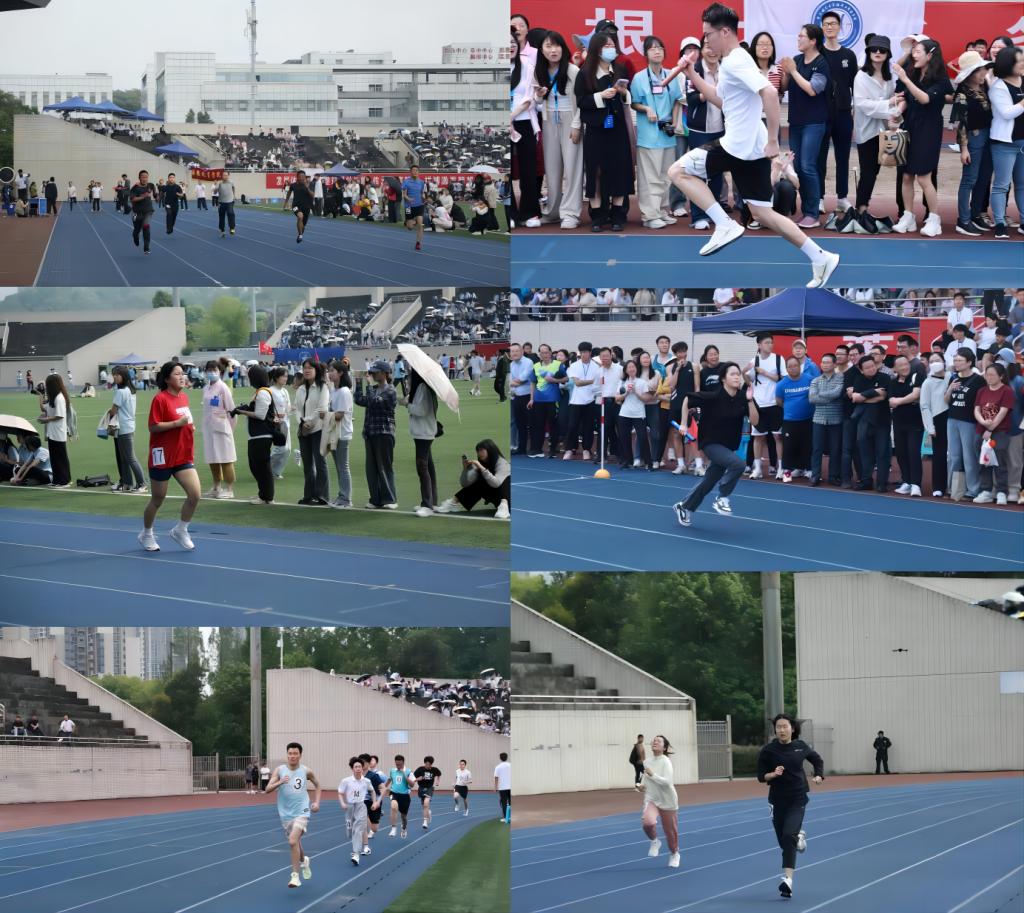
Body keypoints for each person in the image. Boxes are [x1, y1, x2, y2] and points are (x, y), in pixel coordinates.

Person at [668, 3, 840, 287]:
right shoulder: (732, 61)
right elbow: (722, 100)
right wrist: (693, 76)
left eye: (708, 34)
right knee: (762, 213)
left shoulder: (736, 61)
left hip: (738, 146)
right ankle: (820, 256)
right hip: (749, 147)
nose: (706, 41)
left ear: (725, 32)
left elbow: (769, 93)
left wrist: (774, 140)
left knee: (678, 172)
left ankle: (725, 224)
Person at [674, 362, 759, 526]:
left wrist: (750, 401)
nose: (737, 377)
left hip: (728, 446)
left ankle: (684, 506)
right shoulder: (713, 396)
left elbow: (755, 421)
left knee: (709, 481)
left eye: (738, 374)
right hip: (710, 442)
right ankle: (722, 497)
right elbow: (687, 399)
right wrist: (683, 423)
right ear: (723, 378)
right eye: (732, 374)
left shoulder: (743, 397)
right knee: (738, 465)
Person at [756, 713, 824, 900]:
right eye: (778, 727)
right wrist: (773, 774)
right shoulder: (768, 750)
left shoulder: (800, 746)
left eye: (785, 726)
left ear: (792, 729)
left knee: (788, 837)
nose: (781, 730)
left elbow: (817, 760)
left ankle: (788, 880)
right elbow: (761, 776)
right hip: (777, 800)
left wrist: (818, 775)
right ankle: (798, 836)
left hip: (797, 798)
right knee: (784, 842)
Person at [892, 39, 953, 237]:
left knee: (924, 177)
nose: (914, 55)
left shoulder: (941, 80)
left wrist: (905, 79)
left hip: (928, 130)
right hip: (909, 126)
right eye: (913, 51)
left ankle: (934, 218)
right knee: (906, 175)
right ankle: (908, 216)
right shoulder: (913, 73)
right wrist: (897, 111)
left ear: (930, 55)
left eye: (918, 51)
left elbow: (925, 99)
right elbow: (906, 98)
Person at [139, 362, 201, 553]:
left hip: (182, 455)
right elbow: (153, 426)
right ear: (167, 379)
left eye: (183, 373)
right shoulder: (160, 399)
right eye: (177, 374)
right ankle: (146, 534)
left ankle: (181, 530)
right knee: (158, 498)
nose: (182, 377)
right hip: (162, 455)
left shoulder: (184, 397)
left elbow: (185, 421)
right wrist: (177, 424)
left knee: (195, 494)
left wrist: (188, 427)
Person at [576, 30, 634, 232]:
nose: (611, 49)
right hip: (596, 129)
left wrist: (624, 93)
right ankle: (598, 215)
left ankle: (618, 214)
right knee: (596, 172)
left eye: (612, 46)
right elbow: (581, 101)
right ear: (596, 49)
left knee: (619, 169)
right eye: (606, 46)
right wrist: (600, 96)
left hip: (617, 128)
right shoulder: (585, 73)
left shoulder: (619, 69)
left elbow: (628, 99)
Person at [779, 23, 831, 228]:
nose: (798, 39)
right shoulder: (797, 60)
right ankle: (806, 210)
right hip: (796, 122)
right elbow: (784, 88)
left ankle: (812, 213)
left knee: (808, 166)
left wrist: (793, 70)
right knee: (799, 167)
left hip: (814, 122)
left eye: (802, 36)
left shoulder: (821, 63)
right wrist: (786, 73)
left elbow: (812, 89)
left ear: (813, 41)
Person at [631, 35, 684, 230]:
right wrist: (647, 109)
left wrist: (675, 122)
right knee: (650, 177)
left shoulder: (671, 75)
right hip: (649, 135)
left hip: (667, 134)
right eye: (652, 48)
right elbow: (634, 103)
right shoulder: (639, 78)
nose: (657, 51)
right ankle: (650, 215)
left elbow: (677, 100)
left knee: (665, 176)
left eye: (660, 48)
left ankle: (662, 210)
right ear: (646, 53)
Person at [852, 34, 901, 230]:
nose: (878, 52)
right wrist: (889, 104)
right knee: (868, 172)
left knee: (874, 171)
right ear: (868, 52)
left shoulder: (889, 78)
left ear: (888, 54)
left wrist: (894, 114)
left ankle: (863, 207)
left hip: (883, 131)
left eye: (882, 50)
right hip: (866, 131)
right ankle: (861, 209)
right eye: (874, 49)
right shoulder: (861, 76)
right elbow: (862, 105)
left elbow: (892, 104)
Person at [536, 31, 583, 229]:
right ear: (542, 50)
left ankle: (571, 213)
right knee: (552, 170)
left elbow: (582, 101)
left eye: (557, 46)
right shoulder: (538, 71)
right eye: (548, 46)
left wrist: (576, 125)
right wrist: (539, 96)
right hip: (549, 122)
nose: (553, 50)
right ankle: (553, 211)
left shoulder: (573, 71)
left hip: (570, 120)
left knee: (573, 169)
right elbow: (536, 102)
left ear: (563, 49)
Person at [818, 10, 859, 215]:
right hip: (821, 114)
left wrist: (855, 112)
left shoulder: (848, 55)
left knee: (843, 158)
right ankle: (818, 197)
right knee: (819, 158)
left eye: (833, 23)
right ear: (822, 27)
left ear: (840, 27)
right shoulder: (817, 53)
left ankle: (842, 198)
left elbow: (855, 87)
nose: (830, 27)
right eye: (826, 24)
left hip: (843, 113)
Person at [265, 742, 322, 888]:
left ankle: (295, 877)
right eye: (290, 753)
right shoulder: (279, 770)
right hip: (285, 814)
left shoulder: (306, 771)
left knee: (292, 841)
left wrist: (316, 803)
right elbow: (267, 789)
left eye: (295, 753)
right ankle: (304, 860)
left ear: (300, 755)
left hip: (302, 811)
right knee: (295, 841)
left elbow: (317, 785)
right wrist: (279, 782)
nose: (292, 756)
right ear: (287, 755)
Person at [950, 51, 995, 236]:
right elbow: (961, 123)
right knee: (969, 179)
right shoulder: (962, 94)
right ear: (970, 73)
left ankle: (975, 215)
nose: (984, 72)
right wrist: (964, 148)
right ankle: (963, 219)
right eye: (980, 69)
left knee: (983, 178)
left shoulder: (984, 87)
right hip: (973, 138)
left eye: (984, 68)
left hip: (988, 136)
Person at [988, 46, 1024, 240]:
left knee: (1022, 184)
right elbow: (1007, 113)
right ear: (1008, 64)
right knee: (1001, 185)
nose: (1023, 64)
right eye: (1020, 61)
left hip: (1022, 142)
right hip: (1004, 143)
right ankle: (1000, 223)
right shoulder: (998, 87)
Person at [354, 360, 398, 510]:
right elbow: (359, 400)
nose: (373, 374)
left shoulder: (390, 390)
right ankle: (376, 499)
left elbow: (374, 402)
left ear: (385, 373)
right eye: (372, 372)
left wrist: (367, 385)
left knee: (384, 467)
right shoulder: (374, 389)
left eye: (376, 372)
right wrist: (358, 382)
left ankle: (390, 499)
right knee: (371, 469)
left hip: (384, 432)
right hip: (370, 432)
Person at [944, 348, 986, 500]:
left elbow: (981, 402)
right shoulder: (953, 378)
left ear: (969, 362)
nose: (956, 363)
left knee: (969, 456)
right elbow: (946, 400)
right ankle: (952, 488)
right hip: (952, 419)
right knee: (953, 456)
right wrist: (950, 389)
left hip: (969, 421)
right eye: (955, 360)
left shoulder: (979, 380)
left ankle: (973, 489)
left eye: (960, 360)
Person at [233, 365, 277, 506]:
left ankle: (266, 496)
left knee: (261, 467)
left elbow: (260, 415)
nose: (248, 379)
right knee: (256, 466)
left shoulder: (263, 392)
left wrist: (242, 412)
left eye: (250, 376)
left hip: (262, 435)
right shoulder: (260, 392)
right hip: (257, 435)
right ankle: (264, 494)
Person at [436, 439, 511, 520]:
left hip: (510, 500)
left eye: (482, 450)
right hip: (495, 497)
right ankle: (452, 504)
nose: (479, 453)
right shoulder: (479, 464)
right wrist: (466, 469)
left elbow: (496, 483)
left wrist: (482, 469)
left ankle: (504, 506)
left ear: (490, 450)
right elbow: (465, 483)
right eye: (478, 451)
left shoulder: (502, 463)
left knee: (507, 478)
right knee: (479, 482)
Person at [974, 362, 1015, 504]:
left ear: (1001, 376)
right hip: (981, 430)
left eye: (992, 375)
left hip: (1000, 431)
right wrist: (983, 422)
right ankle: (986, 491)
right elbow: (977, 410)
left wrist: (990, 429)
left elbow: (1003, 412)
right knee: (983, 461)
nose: (989, 377)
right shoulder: (982, 391)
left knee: (999, 461)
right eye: (987, 375)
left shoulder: (1007, 391)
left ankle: (1002, 491)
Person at [745, 334, 784, 480]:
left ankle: (781, 468)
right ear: (759, 345)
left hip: (774, 403)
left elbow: (783, 379)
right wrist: (743, 372)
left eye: (771, 342)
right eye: (767, 342)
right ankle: (758, 469)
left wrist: (765, 373)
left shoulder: (779, 359)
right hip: (758, 404)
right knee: (757, 437)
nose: (770, 345)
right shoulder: (753, 361)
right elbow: (748, 381)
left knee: (777, 436)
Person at [638, 734, 680, 868]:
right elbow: (645, 779)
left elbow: (667, 782)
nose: (655, 742)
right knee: (647, 823)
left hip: (667, 801)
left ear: (664, 747)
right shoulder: (647, 762)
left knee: (670, 832)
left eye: (659, 741)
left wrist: (653, 775)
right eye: (654, 740)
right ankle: (655, 841)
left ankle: (674, 853)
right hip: (652, 799)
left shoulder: (666, 761)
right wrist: (641, 786)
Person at [402, 368, 439, 517]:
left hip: (424, 433)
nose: (409, 378)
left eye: (411, 375)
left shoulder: (423, 388)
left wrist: (407, 404)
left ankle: (427, 504)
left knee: (422, 467)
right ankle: (431, 501)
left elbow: (421, 410)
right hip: (424, 432)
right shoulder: (423, 388)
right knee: (428, 466)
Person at [293, 359, 330, 506]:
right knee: (308, 464)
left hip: (318, 429)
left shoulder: (323, 387)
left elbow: (322, 408)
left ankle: (322, 496)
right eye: (305, 368)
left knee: (320, 463)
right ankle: (308, 495)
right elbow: (296, 408)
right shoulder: (301, 389)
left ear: (316, 370)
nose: (307, 370)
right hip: (303, 430)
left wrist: (308, 422)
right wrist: (302, 423)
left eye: (310, 368)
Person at [200, 359, 237, 500]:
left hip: (222, 428)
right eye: (209, 370)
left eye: (214, 370)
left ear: (220, 372)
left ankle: (229, 489)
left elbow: (232, 410)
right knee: (212, 458)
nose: (211, 373)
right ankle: (216, 487)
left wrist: (230, 429)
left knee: (226, 459)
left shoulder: (223, 388)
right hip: (209, 428)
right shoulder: (206, 388)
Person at [889, 355, 925, 496]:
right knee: (901, 453)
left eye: (906, 364)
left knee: (913, 452)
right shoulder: (893, 382)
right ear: (895, 368)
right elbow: (891, 401)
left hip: (915, 422)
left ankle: (916, 484)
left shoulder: (916, 377)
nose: (905, 367)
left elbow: (915, 395)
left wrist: (899, 401)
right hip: (898, 422)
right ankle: (906, 481)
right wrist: (904, 400)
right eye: (901, 365)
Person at [108, 366, 147, 493]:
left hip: (123, 427)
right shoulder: (130, 390)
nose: (114, 377)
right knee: (125, 457)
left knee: (130, 457)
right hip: (127, 426)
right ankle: (127, 484)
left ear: (123, 376)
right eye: (113, 374)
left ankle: (142, 483)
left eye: (117, 374)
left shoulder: (121, 391)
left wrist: (109, 414)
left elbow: (113, 410)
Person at [807, 353, 844, 486]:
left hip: (836, 419)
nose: (825, 365)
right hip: (818, 420)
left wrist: (820, 395)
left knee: (835, 449)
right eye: (823, 362)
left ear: (834, 364)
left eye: (828, 362)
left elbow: (837, 393)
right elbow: (812, 398)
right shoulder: (815, 380)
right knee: (817, 449)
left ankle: (833, 476)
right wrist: (831, 397)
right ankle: (815, 476)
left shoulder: (841, 378)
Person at [615, 357, 655, 470]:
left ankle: (648, 463)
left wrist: (636, 392)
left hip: (639, 414)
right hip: (624, 413)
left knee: (643, 438)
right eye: (629, 367)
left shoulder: (642, 382)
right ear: (626, 370)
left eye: (633, 367)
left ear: (636, 369)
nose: (631, 369)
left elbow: (646, 399)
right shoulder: (622, 382)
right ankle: (627, 461)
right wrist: (626, 393)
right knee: (624, 437)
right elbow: (617, 398)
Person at [921, 353, 950, 497]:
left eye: (937, 360)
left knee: (954, 454)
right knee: (939, 455)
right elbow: (924, 406)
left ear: (944, 361)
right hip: (937, 419)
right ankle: (938, 486)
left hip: (953, 418)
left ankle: (953, 485)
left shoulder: (951, 377)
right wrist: (930, 427)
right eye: (931, 361)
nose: (934, 363)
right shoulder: (927, 382)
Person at [326, 361, 353, 510]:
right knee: (339, 466)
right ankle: (342, 495)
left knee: (343, 466)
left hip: (342, 433)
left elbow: (339, 415)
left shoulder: (343, 391)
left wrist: (324, 415)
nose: (329, 373)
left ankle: (346, 499)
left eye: (332, 371)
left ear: (341, 373)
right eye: (329, 371)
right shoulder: (334, 391)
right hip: (334, 432)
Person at [338, 757, 375, 865]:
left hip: (361, 806)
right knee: (350, 832)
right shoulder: (346, 781)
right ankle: (356, 848)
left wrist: (374, 802)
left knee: (358, 829)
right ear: (352, 769)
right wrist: (342, 803)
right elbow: (340, 793)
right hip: (350, 807)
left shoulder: (366, 781)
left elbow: (372, 791)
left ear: (362, 768)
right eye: (356, 767)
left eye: (359, 766)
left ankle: (356, 854)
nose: (358, 768)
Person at [38, 372, 71, 487]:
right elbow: (43, 408)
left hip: (58, 432)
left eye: (47, 385)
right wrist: (40, 395)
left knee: (60, 458)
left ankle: (64, 481)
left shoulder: (59, 398)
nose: (46, 387)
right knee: (54, 458)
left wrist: (46, 419)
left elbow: (59, 415)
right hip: (52, 432)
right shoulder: (53, 398)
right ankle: (57, 480)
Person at [387, 755, 416, 838]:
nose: (398, 766)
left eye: (399, 764)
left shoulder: (409, 772)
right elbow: (390, 779)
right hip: (394, 793)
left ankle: (404, 827)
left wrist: (404, 775)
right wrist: (384, 787)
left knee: (404, 817)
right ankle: (393, 828)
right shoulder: (392, 771)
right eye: (396, 764)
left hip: (404, 796)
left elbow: (412, 784)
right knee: (393, 806)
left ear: (403, 762)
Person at [129, 170, 158, 254]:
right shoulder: (135, 188)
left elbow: (155, 195)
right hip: (137, 212)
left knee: (145, 226)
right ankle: (135, 236)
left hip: (148, 210)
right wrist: (143, 196)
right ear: (139, 178)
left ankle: (146, 247)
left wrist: (157, 197)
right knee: (137, 230)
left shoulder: (151, 185)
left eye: (146, 177)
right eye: (143, 177)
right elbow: (132, 199)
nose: (145, 179)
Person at [413, 755, 442, 830]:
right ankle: (428, 812)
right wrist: (418, 779)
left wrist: (437, 781)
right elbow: (412, 778)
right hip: (421, 788)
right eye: (427, 764)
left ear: (431, 764)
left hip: (429, 788)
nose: (428, 766)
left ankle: (425, 822)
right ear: (425, 763)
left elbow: (439, 774)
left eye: (430, 764)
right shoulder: (420, 769)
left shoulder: (434, 770)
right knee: (424, 806)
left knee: (426, 803)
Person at [402, 165, 427, 250]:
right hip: (409, 207)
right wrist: (409, 199)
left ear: (418, 172)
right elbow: (404, 195)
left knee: (420, 225)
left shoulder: (421, 182)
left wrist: (424, 198)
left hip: (419, 205)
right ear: (410, 172)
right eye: (413, 170)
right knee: (410, 227)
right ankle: (411, 221)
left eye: (417, 170)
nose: (415, 172)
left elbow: (422, 193)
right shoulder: (406, 182)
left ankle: (418, 243)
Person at [284, 170, 313, 243]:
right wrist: (286, 202)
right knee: (300, 216)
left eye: (303, 177)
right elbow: (289, 193)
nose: (302, 178)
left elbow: (313, 195)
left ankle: (300, 233)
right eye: (300, 177)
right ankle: (300, 235)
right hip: (296, 206)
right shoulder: (293, 185)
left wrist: (307, 188)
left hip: (306, 207)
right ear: (297, 177)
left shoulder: (308, 185)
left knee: (303, 226)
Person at [217, 172, 237, 238]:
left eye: (226, 175)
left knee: (231, 213)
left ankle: (232, 228)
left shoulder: (231, 182)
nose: (225, 176)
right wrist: (215, 189)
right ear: (222, 176)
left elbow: (233, 188)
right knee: (221, 217)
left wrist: (234, 195)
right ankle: (222, 231)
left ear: (228, 176)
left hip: (230, 201)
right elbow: (215, 192)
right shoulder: (219, 183)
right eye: (224, 175)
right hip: (221, 202)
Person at [494, 751, 512, 823]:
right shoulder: (510, 765)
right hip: (510, 787)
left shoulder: (498, 767)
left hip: (502, 788)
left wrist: (495, 787)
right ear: (507, 757)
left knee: (504, 803)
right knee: (511, 802)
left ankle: (505, 818)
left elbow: (496, 777)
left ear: (500, 758)